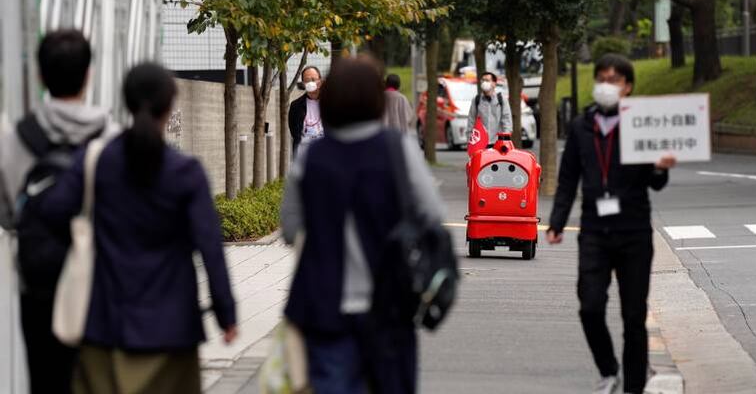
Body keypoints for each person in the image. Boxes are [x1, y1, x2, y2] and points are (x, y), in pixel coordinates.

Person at [39, 63, 238, 394]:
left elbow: (53, 211)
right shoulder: (186, 172)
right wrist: (225, 314)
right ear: (170, 103)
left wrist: (84, 238)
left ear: (127, 103)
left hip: (104, 322)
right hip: (173, 328)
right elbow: (210, 246)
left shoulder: (97, 159)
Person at [280, 57, 445, 394]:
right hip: (390, 308)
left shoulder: (311, 157)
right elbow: (431, 213)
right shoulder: (398, 150)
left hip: (325, 309)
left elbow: (290, 227)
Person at [546, 54, 677, 394]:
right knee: (589, 305)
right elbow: (567, 177)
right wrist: (557, 222)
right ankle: (608, 370)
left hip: (633, 230)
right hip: (593, 231)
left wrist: (661, 166)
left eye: (615, 80)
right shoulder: (580, 126)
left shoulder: (641, 124)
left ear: (628, 87)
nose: (607, 85)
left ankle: (634, 386)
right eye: (602, 78)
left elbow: (656, 183)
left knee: (634, 315)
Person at [0, 30, 115, 394]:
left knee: (45, 381)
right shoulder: (111, 137)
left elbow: (5, 213)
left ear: (40, 76)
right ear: (88, 74)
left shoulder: (17, 137)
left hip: (37, 281)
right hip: (100, 281)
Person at [465, 72, 512, 145]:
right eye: (483, 80)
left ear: (494, 83)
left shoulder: (501, 100)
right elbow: (471, 122)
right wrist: (470, 142)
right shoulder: (476, 100)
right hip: (480, 144)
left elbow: (507, 121)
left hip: (498, 143)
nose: (484, 83)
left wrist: (505, 140)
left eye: (487, 80)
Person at [288, 66, 324, 155]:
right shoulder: (296, 106)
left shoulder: (331, 103)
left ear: (320, 81)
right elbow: (295, 133)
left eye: (314, 79)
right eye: (307, 80)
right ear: (303, 83)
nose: (311, 83)